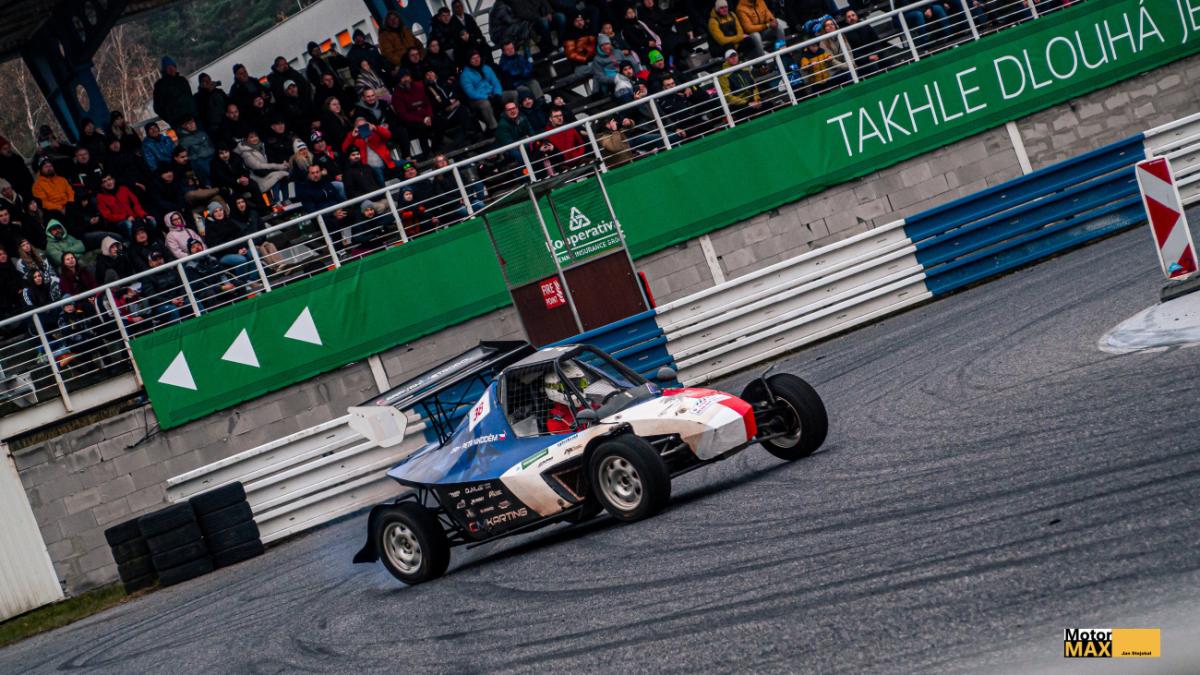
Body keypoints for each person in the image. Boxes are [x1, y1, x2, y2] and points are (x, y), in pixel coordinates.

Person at [235, 131, 291, 205]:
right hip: (257, 175)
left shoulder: (262, 146)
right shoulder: (245, 152)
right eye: (251, 137)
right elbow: (257, 166)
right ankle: (276, 201)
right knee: (276, 178)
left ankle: (286, 199)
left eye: (256, 136)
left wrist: (282, 163)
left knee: (283, 176)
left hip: (267, 171)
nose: (255, 138)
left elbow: (271, 157)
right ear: (246, 139)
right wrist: (278, 166)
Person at [391, 70, 437, 158]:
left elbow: (427, 103)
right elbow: (403, 115)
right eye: (403, 77)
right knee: (421, 128)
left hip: (425, 116)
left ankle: (436, 148)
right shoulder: (397, 95)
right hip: (410, 121)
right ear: (399, 80)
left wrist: (429, 116)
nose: (406, 79)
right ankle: (427, 153)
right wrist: (422, 120)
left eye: (407, 76)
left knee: (440, 121)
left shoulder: (418, 87)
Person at [342, 117, 396, 185]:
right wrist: (352, 136)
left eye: (364, 125)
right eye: (360, 126)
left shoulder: (375, 131)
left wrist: (375, 128)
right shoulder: (353, 136)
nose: (363, 128)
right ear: (356, 127)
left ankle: (405, 189)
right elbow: (345, 149)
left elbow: (388, 135)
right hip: (371, 167)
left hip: (387, 161)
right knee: (380, 178)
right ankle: (385, 192)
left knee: (406, 165)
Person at [460, 51, 504, 132]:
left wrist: (497, 93)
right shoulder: (465, 75)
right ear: (469, 61)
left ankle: (514, 119)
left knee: (512, 94)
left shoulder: (486, 68)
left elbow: (496, 82)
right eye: (473, 58)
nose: (476, 60)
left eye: (478, 57)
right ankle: (494, 128)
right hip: (477, 99)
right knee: (485, 104)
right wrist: (487, 97)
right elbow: (471, 93)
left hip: (493, 93)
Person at [538, 106, 586, 175]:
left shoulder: (570, 128)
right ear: (550, 119)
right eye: (556, 116)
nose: (559, 118)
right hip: (562, 165)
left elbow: (580, 143)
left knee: (593, 164)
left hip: (577, 159)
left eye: (560, 115)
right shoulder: (546, 134)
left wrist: (578, 155)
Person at [152, 56, 196, 128]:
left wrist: (194, 112)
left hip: (193, 119)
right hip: (178, 123)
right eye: (168, 67)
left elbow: (190, 98)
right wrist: (171, 119)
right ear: (164, 70)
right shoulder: (160, 85)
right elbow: (157, 108)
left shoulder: (182, 80)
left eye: (172, 66)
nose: (171, 69)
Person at [718, 50, 763, 119]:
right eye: (731, 57)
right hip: (738, 103)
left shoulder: (745, 68)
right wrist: (747, 103)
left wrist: (756, 99)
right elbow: (728, 96)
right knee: (746, 112)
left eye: (735, 56)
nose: (734, 58)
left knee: (768, 104)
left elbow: (754, 86)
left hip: (751, 98)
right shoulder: (723, 75)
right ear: (726, 60)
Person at [176, 116, 217, 185]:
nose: (192, 124)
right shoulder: (183, 141)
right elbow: (185, 157)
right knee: (199, 163)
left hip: (213, 157)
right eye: (189, 123)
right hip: (200, 161)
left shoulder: (202, 133)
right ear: (183, 126)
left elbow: (211, 146)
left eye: (193, 122)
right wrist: (195, 157)